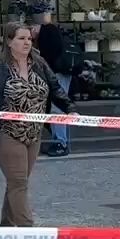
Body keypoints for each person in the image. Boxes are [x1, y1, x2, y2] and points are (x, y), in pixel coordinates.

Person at [0, 21, 71, 239]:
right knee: (19, 182)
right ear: (9, 42)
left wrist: (70, 110)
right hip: (5, 131)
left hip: (33, 132)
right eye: (21, 38)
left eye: (28, 38)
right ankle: (29, 233)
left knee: (17, 181)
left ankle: (5, 228)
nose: (26, 42)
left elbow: (55, 89)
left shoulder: (39, 63)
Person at [35, 10, 74, 157]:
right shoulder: (53, 32)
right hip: (62, 72)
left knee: (57, 108)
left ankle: (61, 143)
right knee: (58, 107)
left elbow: (48, 57)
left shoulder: (47, 33)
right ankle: (61, 141)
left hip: (58, 73)